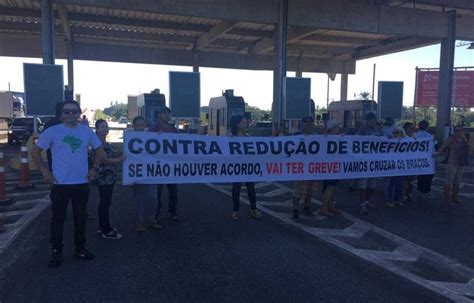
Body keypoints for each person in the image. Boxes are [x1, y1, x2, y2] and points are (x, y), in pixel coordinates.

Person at [31, 100, 106, 268]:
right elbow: (35, 151)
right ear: (61, 114)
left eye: (74, 111)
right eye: (67, 112)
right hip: (60, 184)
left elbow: (100, 151)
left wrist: (94, 168)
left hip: (81, 182)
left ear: (79, 114)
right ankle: (56, 251)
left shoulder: (86, 132)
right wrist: (45, 171)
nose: (70, 115)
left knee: (80, 218)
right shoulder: (52, 132)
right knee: (58, 219)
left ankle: (80, 248)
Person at [94, 119, 126, 239]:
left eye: (106, 126)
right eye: (102, 127)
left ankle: (103, 226)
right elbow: (104, 160)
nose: (105, 129)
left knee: (105, 202)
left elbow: (114, 153)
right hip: (104, 177)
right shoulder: (97, 143)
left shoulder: (104, 142)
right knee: (104, 202)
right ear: (96, 129)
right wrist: (120, 160)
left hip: (109, 177)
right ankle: (106, 229)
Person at [131, 116, 161, 231]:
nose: (140, 127)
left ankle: (152, 219)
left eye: (142, 125)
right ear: (134, 126)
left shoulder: (150, 136)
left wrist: (161, 137)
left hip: (150, 172)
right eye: (138, 125)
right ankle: (139, 222)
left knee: (153, 197)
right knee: (138, 198)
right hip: (136, 172)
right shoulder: (130, 138)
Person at [229, 115, 262, 220]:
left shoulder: (247, 134)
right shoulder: (231, 136)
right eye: (243, 122)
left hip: (248, 165)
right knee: (236, 189)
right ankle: (236, 211)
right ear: (238, 124)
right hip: (236, 166)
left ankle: (253, 209)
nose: (246, 124)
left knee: (251, 188)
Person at [149, 107, 179, 221]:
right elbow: (145, 139)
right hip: (158, 165)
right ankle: (155, 214)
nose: (167, 116)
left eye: (168, 114)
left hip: (171, 164)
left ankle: (173, 212)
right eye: (165, 114)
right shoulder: (154, 127)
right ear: (160, 115)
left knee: (173, 191)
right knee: (157, 192)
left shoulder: (173, 128)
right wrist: (155, 135)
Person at [435, 125, 470, 204]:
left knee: (457, 182)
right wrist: (436, 154)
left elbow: (468, 148)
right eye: (456, 131)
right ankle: (447, 198)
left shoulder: (464, 139)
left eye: (459, 131)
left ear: (462, 131)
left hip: (461, 162)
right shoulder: (451, 138)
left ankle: (455, 196)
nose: (457, 132)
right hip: (452, 162)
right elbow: (443, 147)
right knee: (449, 181)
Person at [357, 112, 383, 215]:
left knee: (372, 185)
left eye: (374, 120)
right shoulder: (362, 130)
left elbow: (383, 141)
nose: (373, 122)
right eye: (371, 120)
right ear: (367, 120)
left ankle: (367, 201)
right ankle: (362, 205)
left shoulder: (378, 129)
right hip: (365, 160)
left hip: (375, 161)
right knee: (363, 184)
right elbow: (356, 141)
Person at [292, 116, 317, 220]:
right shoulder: (297, 135)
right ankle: (295, 209)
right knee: (298, 190)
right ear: (303, 125)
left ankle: (306, 207)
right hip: (300, 167)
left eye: (311, 124)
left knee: (310, 190)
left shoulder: (315, 136)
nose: (310, 126)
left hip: (312, 166)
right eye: (307, 125)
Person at [320, 120, 343, 216]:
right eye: (337, 127)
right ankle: (324, 207)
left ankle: (330, 206)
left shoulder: (338, 137)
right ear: (331, 129)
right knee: (330, 187)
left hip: (335, 164)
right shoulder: (326, 138)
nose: (339, 129)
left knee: (333, 187)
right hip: (329, 165)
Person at [385, 126, 406, 208]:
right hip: (392, 165)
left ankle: (397, 199)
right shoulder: (389, 140)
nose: (395, 134)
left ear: (402, 133)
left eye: (397, 132)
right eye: (394, 132)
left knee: (399, 184)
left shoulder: (406, 141)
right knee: (391, 183)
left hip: (401, 165)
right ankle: (389, 200)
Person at [416, 120, 435, 198]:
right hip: (428, 158)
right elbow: (433, 146)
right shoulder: (429, 136)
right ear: (427, 127)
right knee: (429, 175)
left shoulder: (415, 135)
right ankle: (426, 191)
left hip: (419, 157)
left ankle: (420, 190)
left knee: (420, 175)